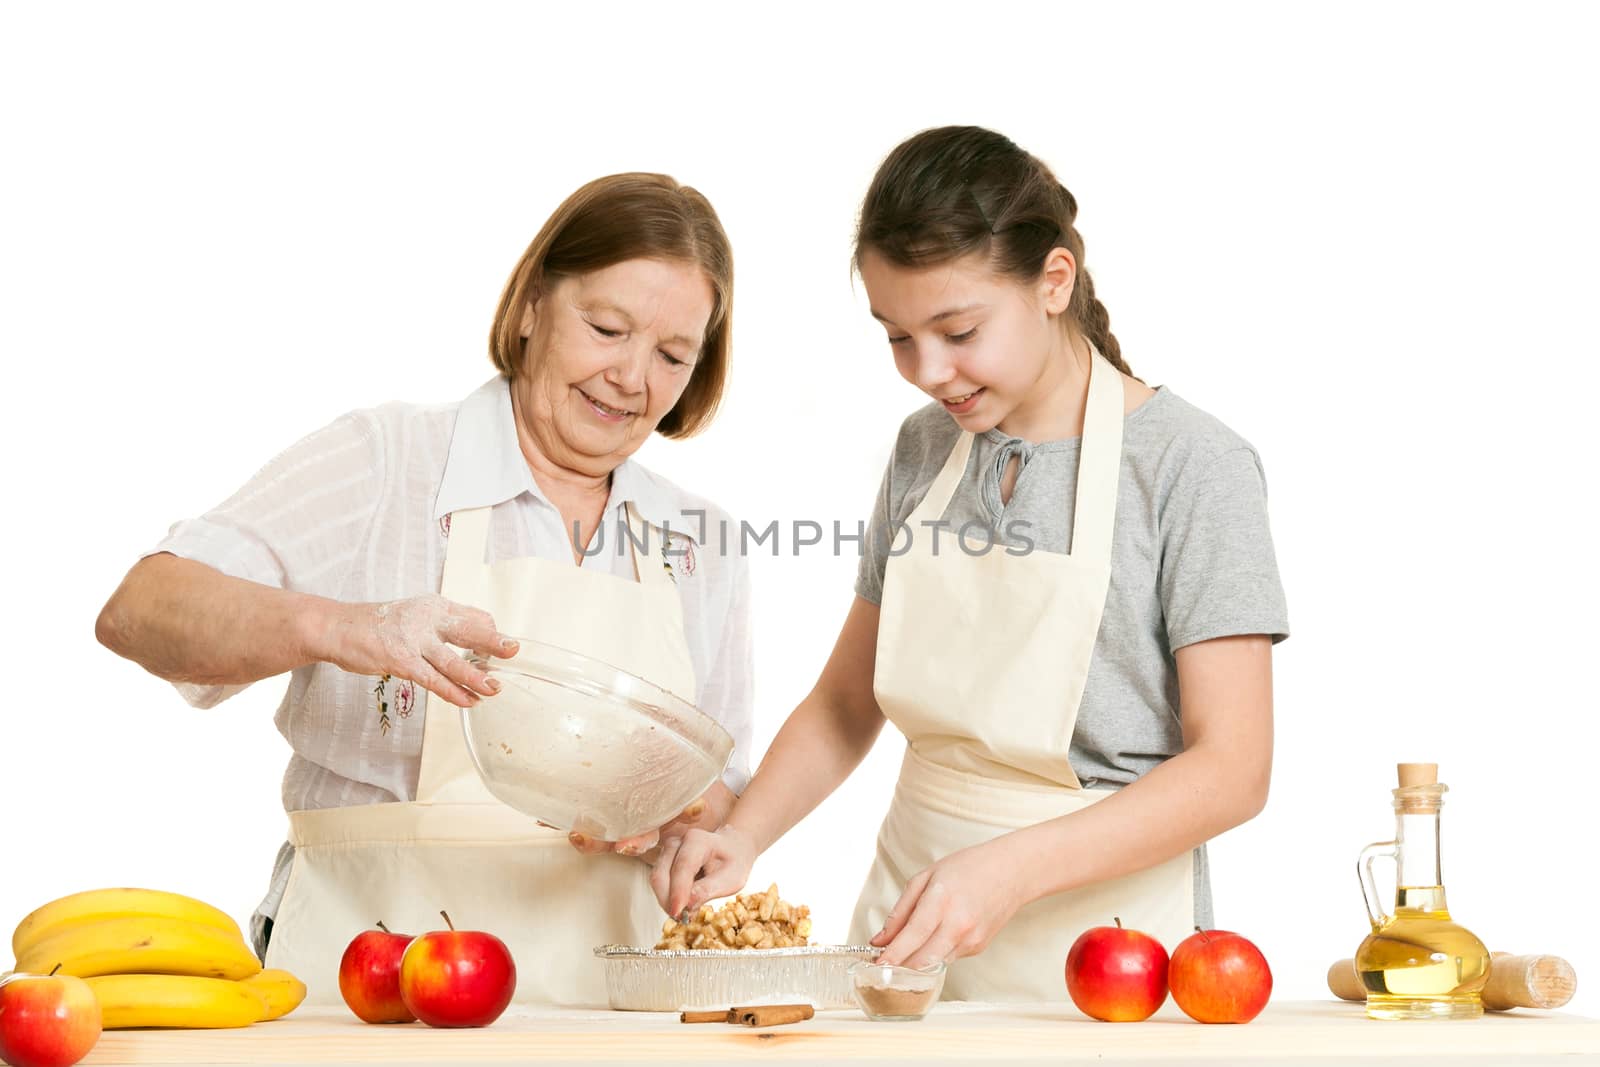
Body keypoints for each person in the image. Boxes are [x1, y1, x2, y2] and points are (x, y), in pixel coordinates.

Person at [654, 127, 1289, 1002]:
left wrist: (1007, 871)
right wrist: (746, 831)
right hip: (905, 931)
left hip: (1109, 956)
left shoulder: (1190, 466)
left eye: (957, 331)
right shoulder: (925, 450)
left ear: (1053, 282)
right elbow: (847, 702)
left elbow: (1233, 767)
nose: (928, 372)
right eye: (898, 337)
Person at [95, 172, 753, 1007]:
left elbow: (718, 785)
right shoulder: (387, 461)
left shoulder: (701, 540)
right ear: (530, 307)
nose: (631, 377)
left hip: (608, 1000)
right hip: (366, 981)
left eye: (671, 355)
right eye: (606, 327)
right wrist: (345, 627)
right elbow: (139, 611)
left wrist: (671, 810)